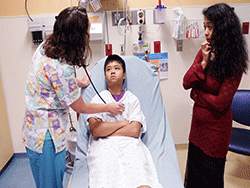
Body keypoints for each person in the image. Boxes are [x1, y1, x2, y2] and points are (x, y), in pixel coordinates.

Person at [22, 7, 124, 188]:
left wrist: (78, 83)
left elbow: (51, 77)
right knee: (50, 185)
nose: (88, 35)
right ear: (77, 36)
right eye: (86, 30)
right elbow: (80, 107)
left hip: (34, 128)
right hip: (46, 137)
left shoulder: (46, 47)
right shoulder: (62, 68)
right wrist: (108, 107)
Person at [183, 3, 248, 188]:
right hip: (197, 129)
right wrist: (202, 63)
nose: (206, 32)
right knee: (194, 176)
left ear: (223, 28)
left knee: (210, 179)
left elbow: (221, 103)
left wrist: (196, 95)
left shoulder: (234, 63)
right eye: (205, 26)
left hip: (216, 133)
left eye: (210, 27)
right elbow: (186, 83)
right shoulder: (204, 51)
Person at [86, 54, 163, 188]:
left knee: (140, 179)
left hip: (130, 144)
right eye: (108, 69)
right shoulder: (98, 99)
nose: (112, 72)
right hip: (104, 146)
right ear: (105, 76)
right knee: (106, 176)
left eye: (117, 68)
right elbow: (96, 130)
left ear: (124, 75)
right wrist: (122, 123)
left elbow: (134, 131)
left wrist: (106, 129)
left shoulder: (132, 100)